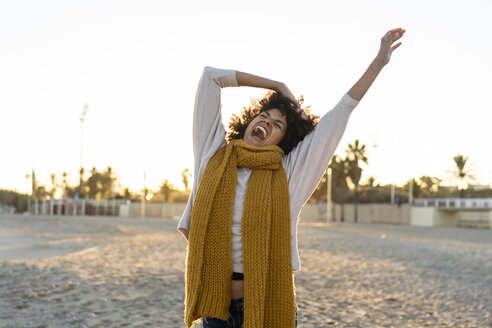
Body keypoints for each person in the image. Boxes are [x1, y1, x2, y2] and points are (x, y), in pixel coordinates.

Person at [178, 28, 406, 328]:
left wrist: (378, 62)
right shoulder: (213, 155)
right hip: (215, 307)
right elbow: (210, 77)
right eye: (263, 116)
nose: (266, 122)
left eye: (277, 125)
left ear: (283, 141)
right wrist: (275, 85)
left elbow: (340, 114)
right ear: (250, 120)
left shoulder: (288, 175)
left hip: (267, 305)